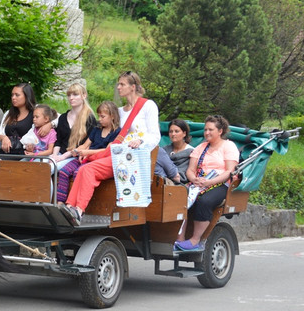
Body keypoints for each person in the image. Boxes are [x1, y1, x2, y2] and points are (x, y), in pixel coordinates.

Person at [59, 71, 161, 225]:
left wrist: (140, 141)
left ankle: (78, 210)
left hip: (133, 158)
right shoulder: (119, 111)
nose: (118, 87)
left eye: (122, 84)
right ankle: (69, 207)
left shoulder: (148, 106)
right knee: (85, 168)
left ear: (133, 87)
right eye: (118, 84)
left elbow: (155, 136)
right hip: (117, 155)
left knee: (89, 170)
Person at [175, 115, 239, 251]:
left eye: (210, 130)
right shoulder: (201, 147)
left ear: (220, 131)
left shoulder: (228, 146)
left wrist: (209, 182)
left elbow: (229, 172)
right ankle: (179, 238)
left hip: (220, 183)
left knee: (204, 201)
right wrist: (194, 179)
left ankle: (195, 240)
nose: (207, 133)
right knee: (179, 198)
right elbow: (190, 170)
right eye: (205, 130)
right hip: (199, 183)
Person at [56, 101, 121, 202]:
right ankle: (60, 202)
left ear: (112, 116)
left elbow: (107, 150)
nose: (99, 119)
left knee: (78, 173)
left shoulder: (116, 132)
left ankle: (74, 204)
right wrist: (77, 150)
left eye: (102, 117)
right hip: (86, 157)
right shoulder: (97, 129)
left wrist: (87, 152)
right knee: (63, 172)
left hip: (97, 160)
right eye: (99, 116)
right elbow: (85, 145)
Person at [49, 82, 97, 170]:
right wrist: (54, 155)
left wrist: (62, 157)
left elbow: (86, 144)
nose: (71, 98)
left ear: (84, 95)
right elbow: (58, 140)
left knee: (49, 168)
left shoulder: (89, 118)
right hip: (59, 154)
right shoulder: (63, 117)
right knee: (39, 165)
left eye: (75, 95)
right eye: (69, 95)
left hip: (75, 157)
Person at [0, 82, 36, 154]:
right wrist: (4, 138)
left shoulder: (37, 111)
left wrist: (50, 124)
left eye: (17, 95)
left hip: (26, 155)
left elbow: (56, 117)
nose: (13, 98)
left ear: (27, 96)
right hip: (6, 152)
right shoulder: (8, 113)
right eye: (12, 95)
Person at [161, 119, 194, 183]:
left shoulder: (192, 152)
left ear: (184, 133)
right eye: (171, 131)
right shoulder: (163, 151)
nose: (173, 134)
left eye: (176, 131)